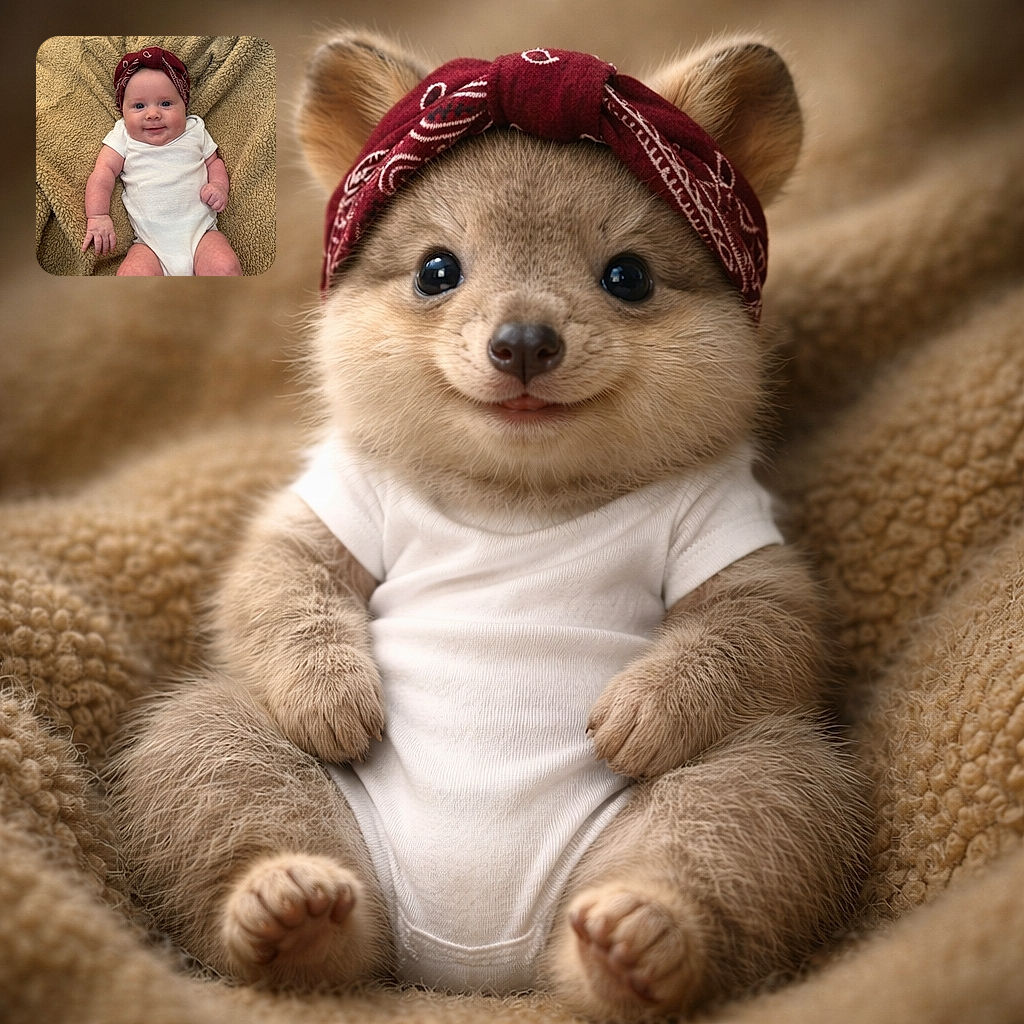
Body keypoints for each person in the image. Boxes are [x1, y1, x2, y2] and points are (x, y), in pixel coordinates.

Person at [81, 45, 242, 276]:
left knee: (224, 268)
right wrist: (98, 216)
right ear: (123, 111)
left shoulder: (194, 129)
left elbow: (214, 163)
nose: (153, 114)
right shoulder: (123, 135)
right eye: (139, 106)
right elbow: (103, 171)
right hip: (149, 246)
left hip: (202, 235)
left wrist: (218, 186)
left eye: (166, 104)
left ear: (184, 104)